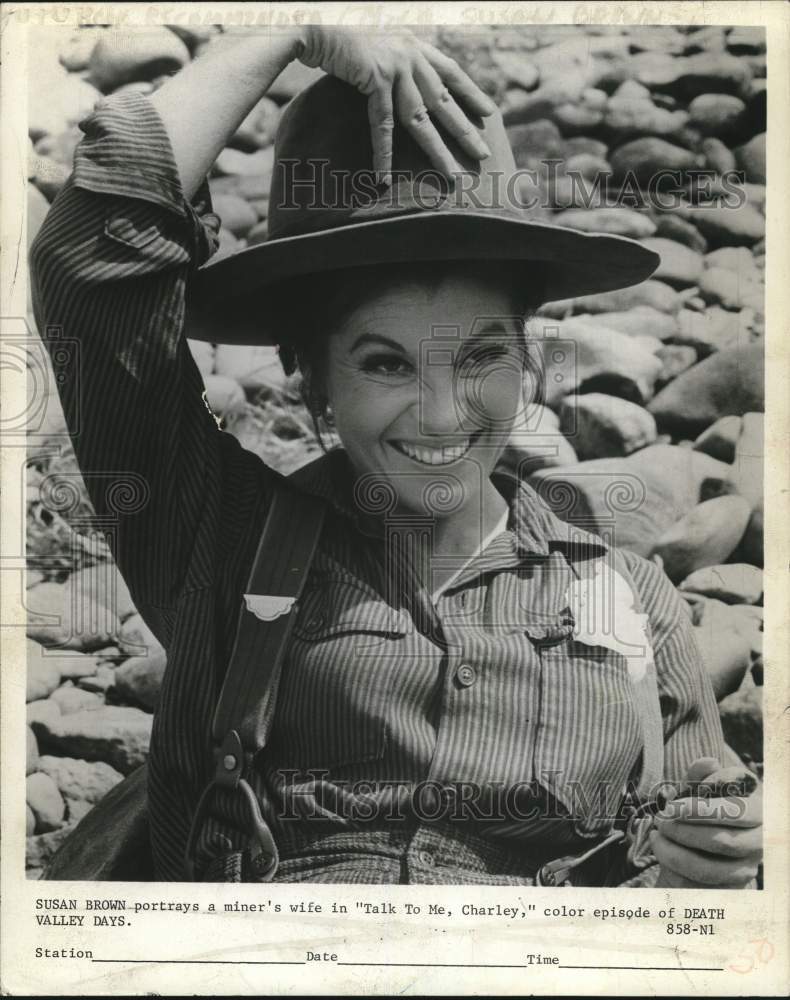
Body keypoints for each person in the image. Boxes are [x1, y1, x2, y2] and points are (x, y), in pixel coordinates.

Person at [31, 26, 762, 887]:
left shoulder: (635, 606)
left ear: (528, 356)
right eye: (385, 363)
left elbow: (683, 895)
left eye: (482, 355)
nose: (445, 413)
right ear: (312, 381)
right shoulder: (218, 540)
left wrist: (710, 863)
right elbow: (89, 266)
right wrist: (287, 33)